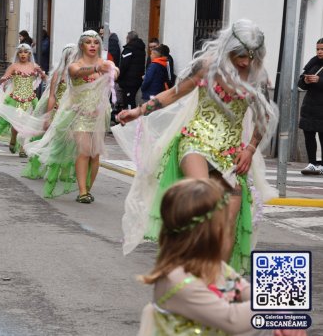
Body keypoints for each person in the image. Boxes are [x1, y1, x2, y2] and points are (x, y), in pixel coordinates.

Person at [115, 19, 278, 274]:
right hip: (195, 142)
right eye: (241, 55)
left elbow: (263, 116)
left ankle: (211, 282)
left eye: (252, 56)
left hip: (229, 154)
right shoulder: (207, 67)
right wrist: (137, 111)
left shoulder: (257, 76)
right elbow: (174, 93)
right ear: (229, 47)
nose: (245, 62)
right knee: (204, 198)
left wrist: (250, 149)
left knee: (228, 219)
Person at [138, 179, 304, 336]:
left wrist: (285, 317)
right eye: (227, 225)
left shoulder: (215, 268)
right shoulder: (177, 281)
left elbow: (246, 290)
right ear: (213, 235)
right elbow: (233, 318)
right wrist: (275, 306)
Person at [25, 31, 117, 203]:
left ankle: (87, 188)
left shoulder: (106, 63)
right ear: (81, 45)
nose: (92, 45)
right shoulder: (75, 65)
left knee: (95, 154)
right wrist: (97, 68)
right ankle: (82, 191)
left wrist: (112, 69)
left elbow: (115, 72)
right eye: (88, 42)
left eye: (95, 42)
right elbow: (76, 73)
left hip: (99, 115)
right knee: (84, 150)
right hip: (79, 114)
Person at [22, 44, 78, 197]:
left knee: (70, 142)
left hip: (72, 113)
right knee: (54, 142)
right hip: (59, 112)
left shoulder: (79, 72)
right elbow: (52, 96)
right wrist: (48, 116)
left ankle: (65, 172)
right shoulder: (59, 74)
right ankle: (50, 171)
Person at [0, 44, 46, 157]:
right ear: (18, 54)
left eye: (25, 52)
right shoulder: (14, 66)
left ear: (29, 54)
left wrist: (42, 74)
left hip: (30, 99)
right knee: (17, 124)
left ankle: (22, 148)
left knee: (27, 124)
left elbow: (44, 78)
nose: (23, 54)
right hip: (16, 99)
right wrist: (4, 79)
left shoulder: (34, 66)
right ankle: (14, 138)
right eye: (20, 52)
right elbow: (4, 79)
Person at [298, 38, 323, 175]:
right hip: (310, 106)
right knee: (308, 134)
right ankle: (312, 163)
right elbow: (300, 84)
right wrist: (305, 80)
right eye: (318, 49)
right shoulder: (313, 63)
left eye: (322, 49)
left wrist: (319, 81)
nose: (319, 52)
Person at [117, 31, 146, 111]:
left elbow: (124, 65)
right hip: (137, 79)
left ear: (128, 39)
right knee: (131, 98)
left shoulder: (129, 49)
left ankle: (130, 117)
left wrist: (118, 76)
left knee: (129, 100)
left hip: (129, 81)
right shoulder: (141, 48)